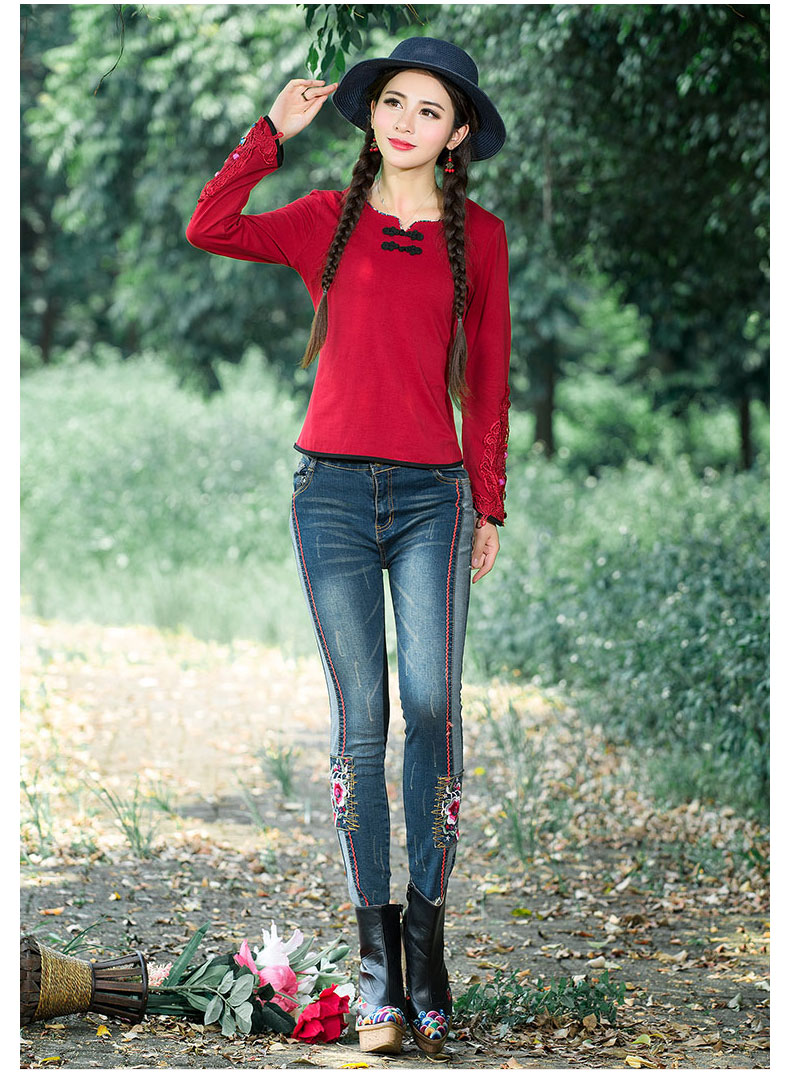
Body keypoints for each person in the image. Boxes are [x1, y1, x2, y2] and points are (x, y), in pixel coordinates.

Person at [186, 35, 511, 1057]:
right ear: (371, 114)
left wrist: (490, 502)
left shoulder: (481, 237)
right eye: (393, 102)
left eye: (429, 110)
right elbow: (209, 225)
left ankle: (427, 937)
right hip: (327, 494)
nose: (406, 121)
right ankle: (378, 969)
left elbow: (489, 374)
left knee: (432, 703)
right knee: (360, 721)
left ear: (456, 135)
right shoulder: (325, 217)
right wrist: (268, 134)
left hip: (432, 500)